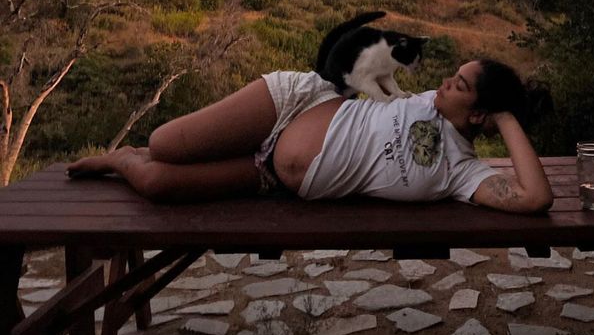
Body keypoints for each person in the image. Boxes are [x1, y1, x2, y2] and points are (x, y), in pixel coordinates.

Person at [67, 58, 553, 213]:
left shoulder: (462, 173)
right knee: (164, 146)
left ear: (480, 113)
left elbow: (535, 198)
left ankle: (117, 161)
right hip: (295, 104)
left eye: (460, 85)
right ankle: (131, 150)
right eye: (453, 75)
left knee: (156, 184)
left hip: (274, 177)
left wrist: (507, 118)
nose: (446, 83)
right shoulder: (425, 100)